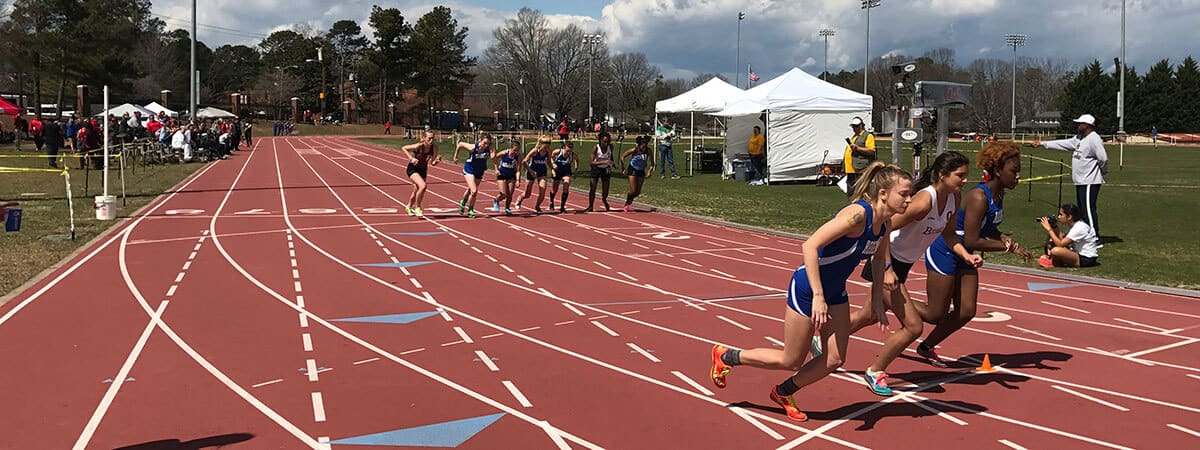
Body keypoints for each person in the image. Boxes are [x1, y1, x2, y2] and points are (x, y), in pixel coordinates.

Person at [709, 163, 912, 422]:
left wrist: (876, 303)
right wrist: (817, 296)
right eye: (904, 193)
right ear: (883, 193)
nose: (909, 199)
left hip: (835, 292)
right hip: (807, 289)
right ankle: (728, 356)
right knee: (791, 359)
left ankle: (784, 392)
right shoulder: (857, 216)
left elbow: (878, 258)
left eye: (910, 194)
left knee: (834, 359)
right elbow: (810, 245)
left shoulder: (884, 225)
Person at [845, 151, 977, 396]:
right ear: (942, 175)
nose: (964, 180)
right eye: (960, 175)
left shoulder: (953, 197)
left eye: (966, 176)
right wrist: (886, 268)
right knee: (913, 327)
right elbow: (883, 227)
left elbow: (948, 234)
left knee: (870, 315)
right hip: (887, 260)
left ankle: (824, 340)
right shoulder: (924, 201)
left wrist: (965, 255)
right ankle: (875, 371)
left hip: (902, 264)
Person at [914, 141, 1033, 368]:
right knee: (935, 313)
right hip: (947, 250)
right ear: (998, 171)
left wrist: (1001, 237)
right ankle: (890, 299)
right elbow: (970, 239)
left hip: (966, 254)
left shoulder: (998, 196)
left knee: (966, 311)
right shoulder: (979, 196)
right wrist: (1008, 247)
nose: (1018, 177)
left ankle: (926, 347)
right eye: (1014, 172)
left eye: (1018, 172)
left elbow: (986, 228)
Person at [1032, 114, 1109, 245]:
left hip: (1090, 181)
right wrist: (1043, 143)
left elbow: (1103, 158)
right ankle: (1085, 234)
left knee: (1089, 210)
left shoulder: (1094, 139)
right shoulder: (1079, 138)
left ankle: (1095, 238)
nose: (1078, 126)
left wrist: (1101, 172)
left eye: (1080, 124)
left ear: (1088, 125)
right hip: (1080, 180)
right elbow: (1064, 143)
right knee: (1082, 210)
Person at [1037, 204, 1100, 268]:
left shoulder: (1079, 227)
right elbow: (1062, 239)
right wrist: (1054, 226)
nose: (1059, 217)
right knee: (1052, 241)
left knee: (1055, 251)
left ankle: (1056, 262)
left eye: (1061, 215)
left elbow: (1060, 244)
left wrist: (1049, 229)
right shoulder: (1071, 225)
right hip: (1076, 253)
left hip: (1086, 258)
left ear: (1069, 217)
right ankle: (1055, 260)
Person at [453, 135, 495, 218]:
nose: (486, 145)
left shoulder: (489, 148)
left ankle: (463, 202)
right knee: (474, 191)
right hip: (469, 169)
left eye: (488, 144)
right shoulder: (473, 147)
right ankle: (470, 210)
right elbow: (460, 144)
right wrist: (455, 156)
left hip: (480, 171)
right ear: (480, 140)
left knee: (470, 190)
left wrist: (492, 149)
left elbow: (494, 157)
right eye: (484, 143)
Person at [401, 131, 440, 217]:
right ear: (424, 138)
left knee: (416, 190)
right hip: (413, 169)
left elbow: (432, 163)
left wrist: (437, 161)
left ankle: (409, 206)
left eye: (433, 138)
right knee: (423, 186)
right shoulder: (419, 146)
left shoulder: (434, 148)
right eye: (429, 138)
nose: (431, 140)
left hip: (423, 170)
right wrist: (411, 158)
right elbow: (404, 148)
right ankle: (417, 207)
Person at [620, 135, 655, 213]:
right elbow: (623, 156)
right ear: (639, 145)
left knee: (638, 192)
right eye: (642, 147)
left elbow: (652, 163)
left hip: (641, 170)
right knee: (633, 190)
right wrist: (623, 168)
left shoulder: (648, 151)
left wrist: (649, 171)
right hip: (632, 169)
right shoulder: (634, 150)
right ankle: (628, 202)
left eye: (645, 147)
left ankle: (630, 198)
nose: (644, 148)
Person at [517, 137, 552, 213]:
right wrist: (531, 171)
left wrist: (553, 169)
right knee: (527, 194)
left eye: (548, 146)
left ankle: (537, 206)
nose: (547, 148)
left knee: (543, 190)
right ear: (541, 144)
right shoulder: (535, 151)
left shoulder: (548, 152)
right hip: (531, 171)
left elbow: (549, 162)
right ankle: (520, 198)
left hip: (542, 172)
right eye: (545, 146)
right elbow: (524, 161)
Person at [843, 117, 876, 195]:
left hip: (860, 170)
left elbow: (871, 151)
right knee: (851, 193)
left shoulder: (868, 136)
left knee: (860, 193)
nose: (855, 128)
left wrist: (857, 148)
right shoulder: (854, 136)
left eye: (857, 126)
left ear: (862, 126)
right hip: (851, 170)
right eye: (853, 126)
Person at [586, 131, 618, 212]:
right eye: (605, 142)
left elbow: (611, 156)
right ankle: (590, 206)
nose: (606, 143)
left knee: (606, 189)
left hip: (606, 169)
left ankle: (604, 199)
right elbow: (591, 162)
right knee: (593, 187)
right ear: (600, 140)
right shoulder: (596, 148)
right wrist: (604, 162)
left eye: (608, 141)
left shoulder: (610, 147)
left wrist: (613, 163)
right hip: (596, 168)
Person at [548, 140, 579, 213]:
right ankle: (551, 201)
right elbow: (550, 157)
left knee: (566, 185)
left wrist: (575, 170)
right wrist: (553, 164)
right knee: (554, 189)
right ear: (564, 147)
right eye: (567, 150)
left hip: (566, 172)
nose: (569, 152)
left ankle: (562, 206)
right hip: (557, 171)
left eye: (570, 150)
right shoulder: (558, 152)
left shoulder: (573, 155)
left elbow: (577, 160)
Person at [492, 140, 522, 215]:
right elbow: (495, 158)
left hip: (511, 176)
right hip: (502, 174)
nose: (516, 152)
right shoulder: (504, 153)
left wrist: (518, 180)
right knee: (503, 194)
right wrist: (496, 169)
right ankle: (496, 200)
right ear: (511, 148)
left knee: (510, 193)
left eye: (518, 150)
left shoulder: (518, 157)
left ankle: (507, 208)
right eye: (515, 150)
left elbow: (518, 170)